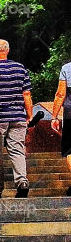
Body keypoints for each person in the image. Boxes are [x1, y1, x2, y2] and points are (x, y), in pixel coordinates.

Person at [0, 38, 34, 197]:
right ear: (8, 51)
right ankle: (22, 181)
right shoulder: (20, 68)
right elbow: (27, 94)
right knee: (18, 151)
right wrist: (29, 114)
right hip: (18, 117)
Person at [51, 57, 71, 194]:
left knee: (70, 150)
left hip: (70, 114)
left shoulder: (67, 68)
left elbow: (60, 94)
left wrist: (54, 117)